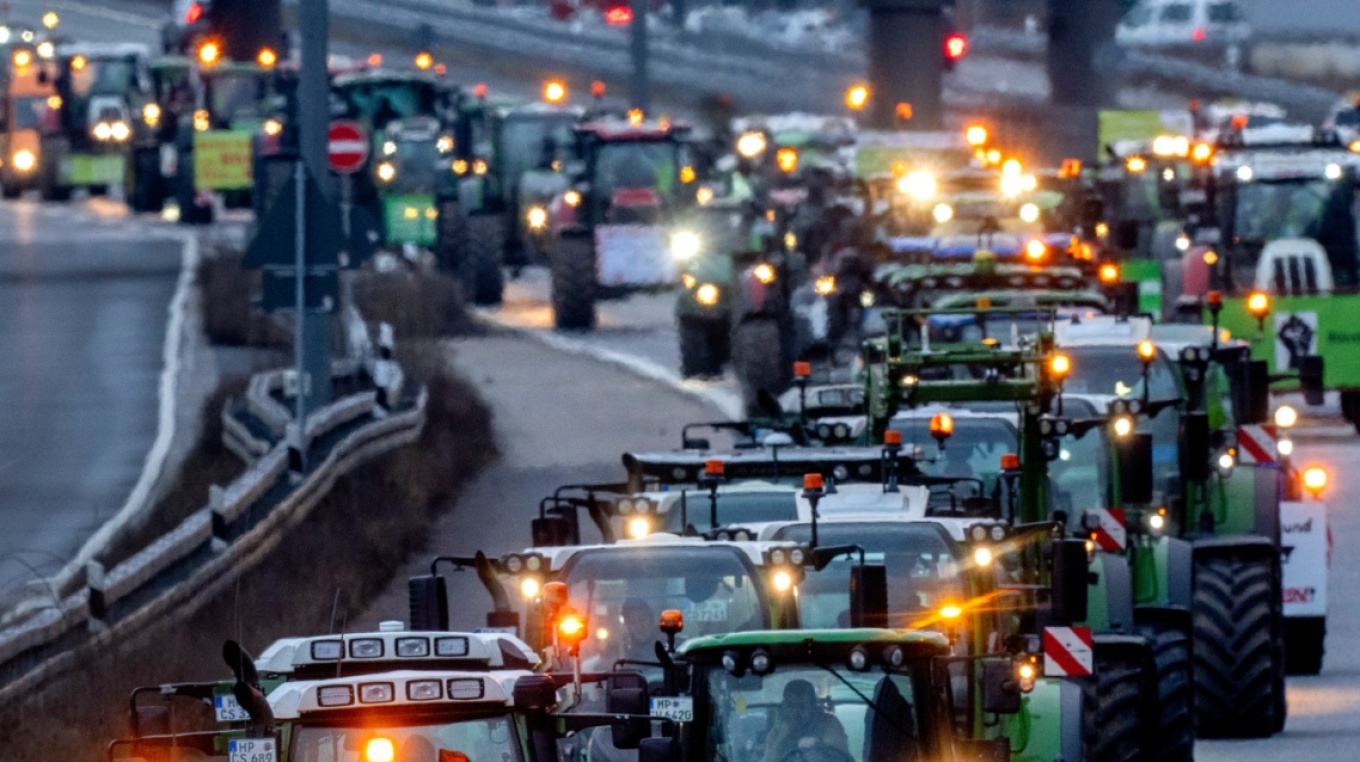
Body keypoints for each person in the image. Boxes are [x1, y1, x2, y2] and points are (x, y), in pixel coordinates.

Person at [761, 679, 850, 762]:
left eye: (802, 707)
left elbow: (840, 757)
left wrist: (818, 746)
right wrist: (781, 739)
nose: (795, 713)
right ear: (783, 707)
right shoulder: (777, 732)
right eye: (790, 706)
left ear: (813, 708)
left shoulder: (828, 724)